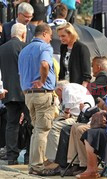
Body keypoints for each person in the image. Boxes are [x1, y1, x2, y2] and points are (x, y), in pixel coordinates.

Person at [18, 23, 56, 174]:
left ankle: (34, 165)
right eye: (51, 36)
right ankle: (37, 165)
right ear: (45, 33)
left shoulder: (24, 50)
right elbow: (45, 64)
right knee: (42, 130)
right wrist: (42, 80)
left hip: (29, 94)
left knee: (36, 130)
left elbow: (20, 74)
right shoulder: (44, 47)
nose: (51, 39)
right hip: (42, 93)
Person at [42, 81, 95, 176]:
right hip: (81, 115)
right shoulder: (74, 86)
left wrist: (66, 112)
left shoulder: (67, 89)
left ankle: (54, 159)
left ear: (59, 89)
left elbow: (69, 106)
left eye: (57, 93)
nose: (59, 96)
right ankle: (56, 158)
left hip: (80, 117)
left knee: (53, 127)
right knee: (59, 125)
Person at [0, 23, 31, 165]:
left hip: (8, 91)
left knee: (11, 124)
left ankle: (11, 156)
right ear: (23, 34)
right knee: (31, 124)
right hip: (26, 91)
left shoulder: (2, 49)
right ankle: (29, 156)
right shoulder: (26, 48)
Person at [57, 22, 91, 87]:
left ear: (71, 34)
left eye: (63, 36)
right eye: (59, 36)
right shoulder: (63, 47)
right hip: (65, 85)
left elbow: (86, 72)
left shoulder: (81, 48)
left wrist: (83, 88)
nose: (61, 39)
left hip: (77, 86)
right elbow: (62, 69)